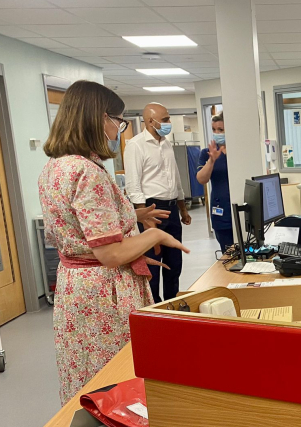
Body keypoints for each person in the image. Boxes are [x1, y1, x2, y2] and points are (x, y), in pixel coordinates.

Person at [39, 81, 189, 404]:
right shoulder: (87, 172)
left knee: (86, 374)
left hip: (74, 289)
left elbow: (84, 241)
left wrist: (132, 255)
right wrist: (154, 235)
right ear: (97, 117)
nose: (118, 128)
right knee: (115, 379)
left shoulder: (53, 168)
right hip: (103, 294)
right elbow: (107, 253)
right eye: (116, 121)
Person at [124, 102, 191, 303]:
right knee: (153, 264)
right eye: (166, 119)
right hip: (152, 209)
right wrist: (145, 218)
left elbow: (175, 179)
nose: (169, 123)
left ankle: (172, 303)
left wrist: (183, 209)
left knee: (174, 263)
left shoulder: (166, 143)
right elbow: (133, 186)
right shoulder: (136, 145)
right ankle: (156, 309)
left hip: (171, 209)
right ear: (151, 121)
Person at [196, 112, 233, 252]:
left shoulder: (239, 152)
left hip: (240, 209)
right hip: (221, 210)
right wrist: (211, 161)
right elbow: (201, 179)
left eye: (221, 130)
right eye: (214, 129)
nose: (217, 133)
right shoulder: (206, 153)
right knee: (228, 253)